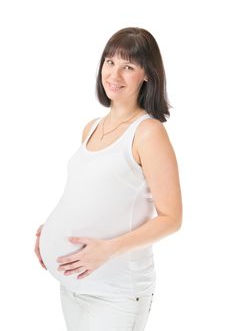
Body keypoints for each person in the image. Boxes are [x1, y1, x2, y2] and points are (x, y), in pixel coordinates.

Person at [34, 27, 182, 331]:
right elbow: (88, 194)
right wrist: (50, 230)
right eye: (110, 62)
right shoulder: (91, 127)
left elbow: (172, 218)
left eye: (128, 66)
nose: (114, 74)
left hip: (116, 294)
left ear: (147, 75)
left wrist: (109, 249)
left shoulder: (148, 133)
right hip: (73, 287)